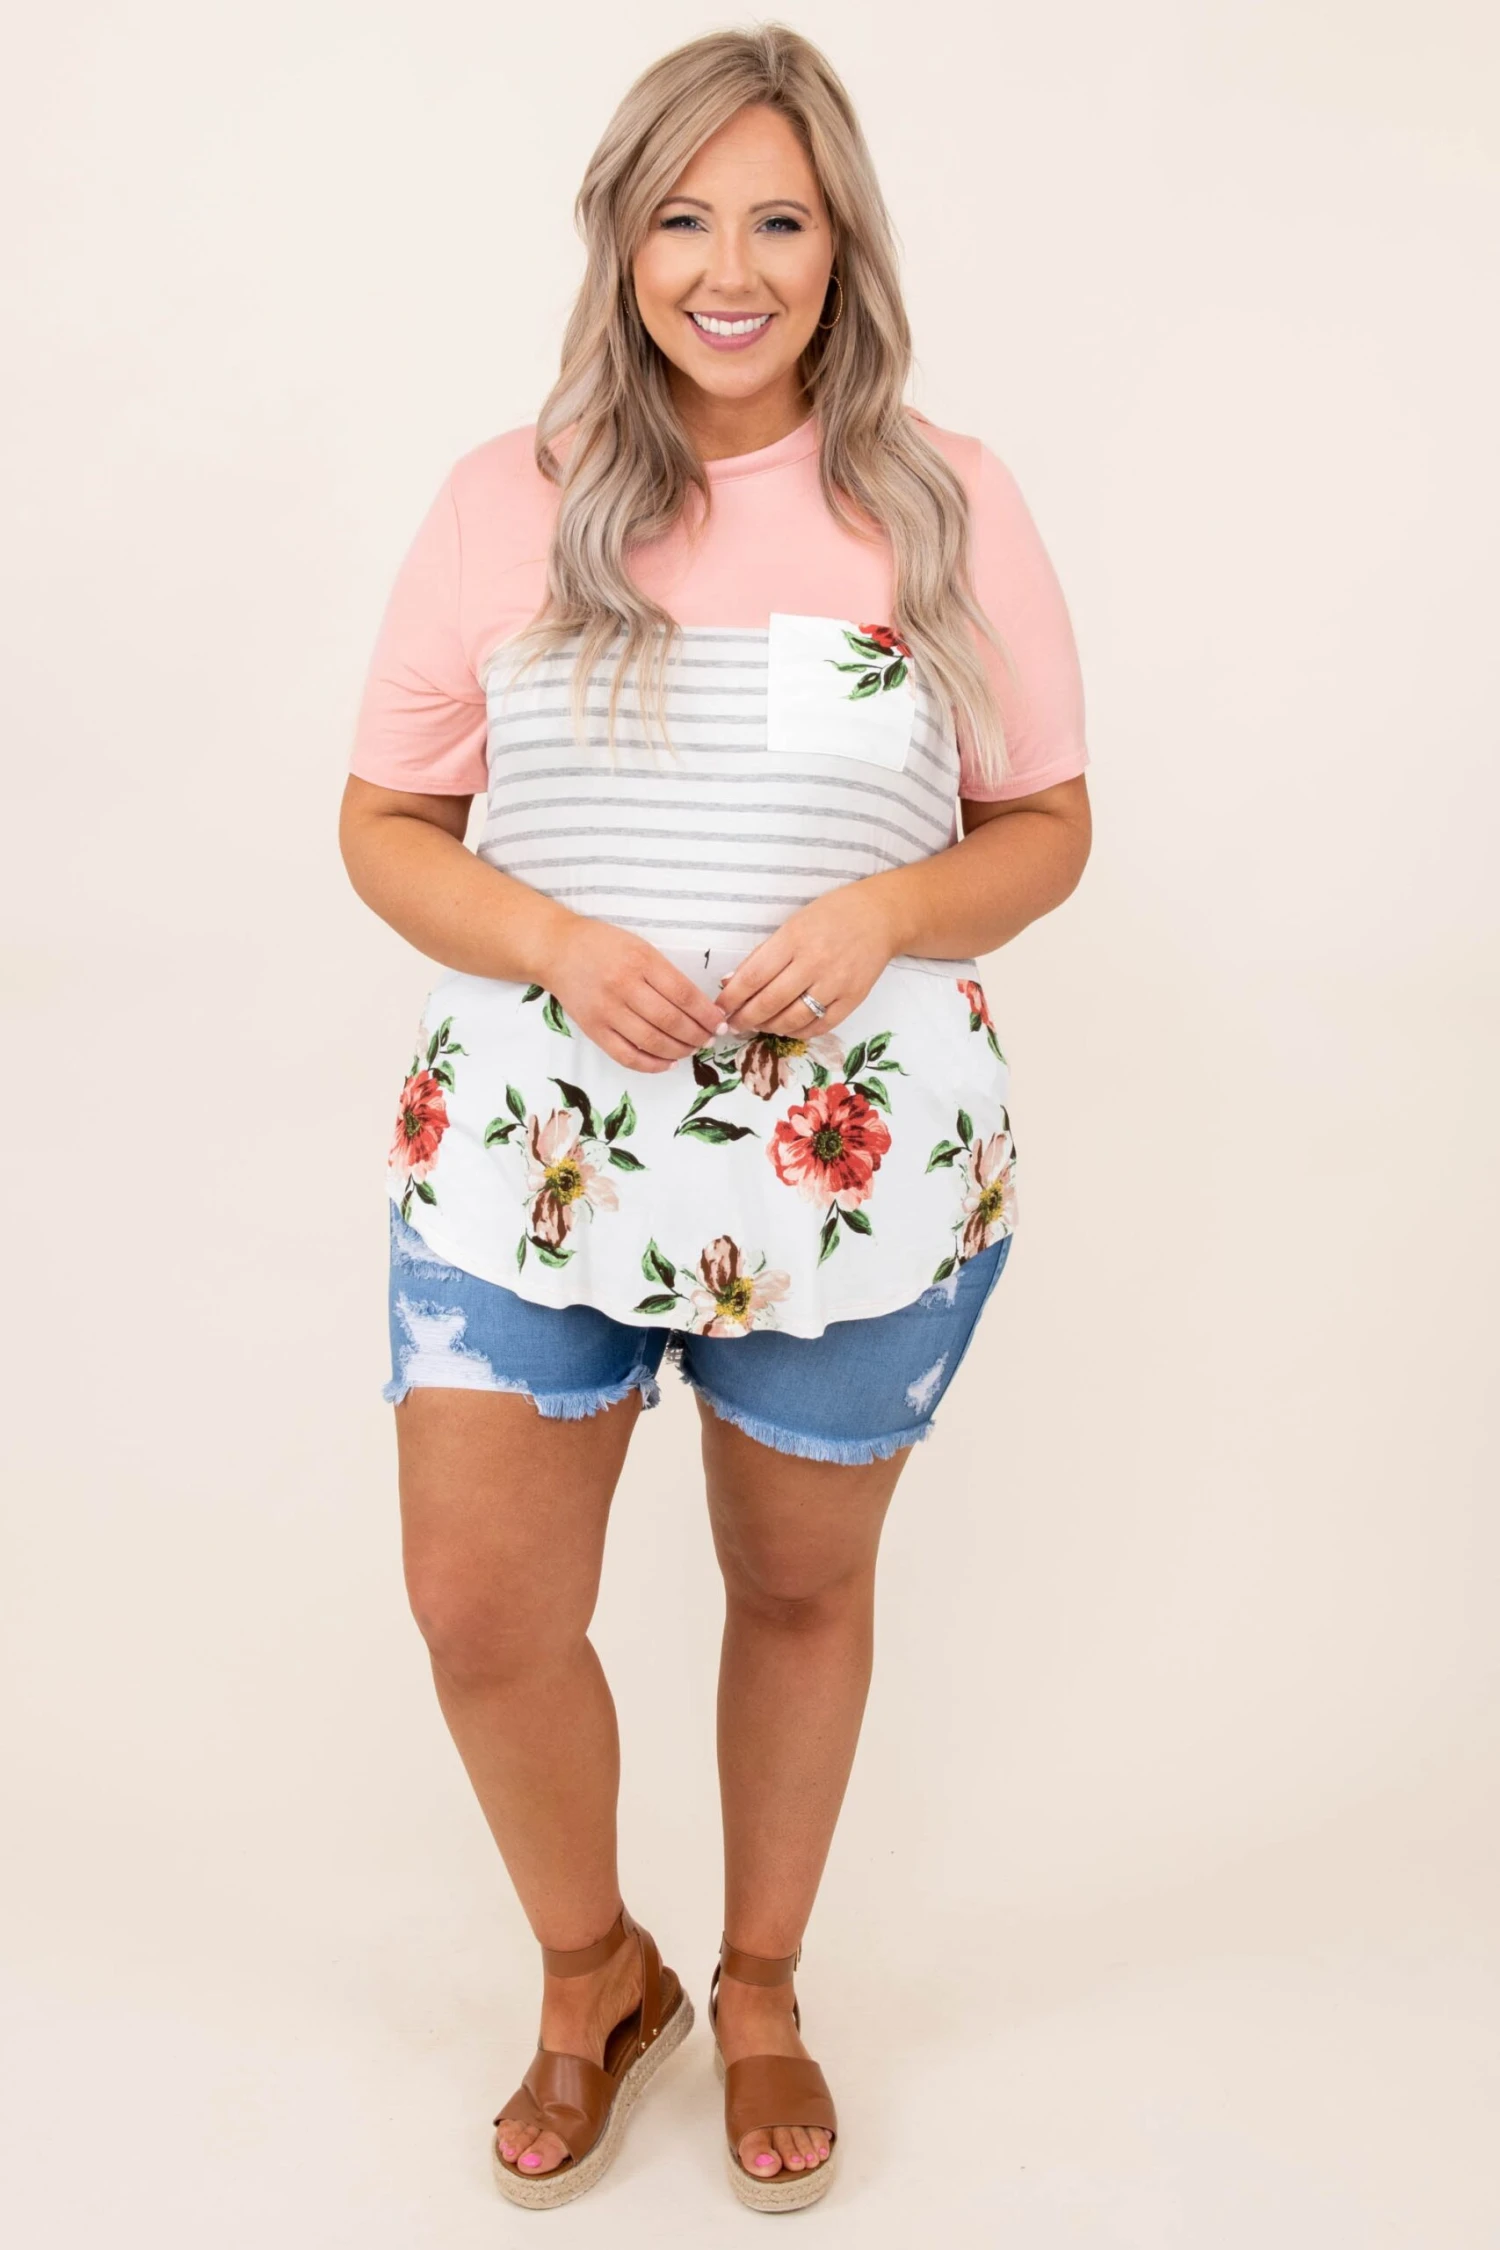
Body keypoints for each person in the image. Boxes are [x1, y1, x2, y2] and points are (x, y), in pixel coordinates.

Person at [338, 21, 1092, 2215]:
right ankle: (599, 1973)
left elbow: (1046, 825)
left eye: (779, 218)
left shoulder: (943, 497)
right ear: (622, 239)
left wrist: (890, 909)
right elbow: (383, 822)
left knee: (796, 1585)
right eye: (683, 218)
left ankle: (761, 1982)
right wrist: (553, 941)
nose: (730, 268)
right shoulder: (506, 495)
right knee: (479, 1606)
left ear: (844, 245)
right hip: (534, 1151)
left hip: (852, 1169)